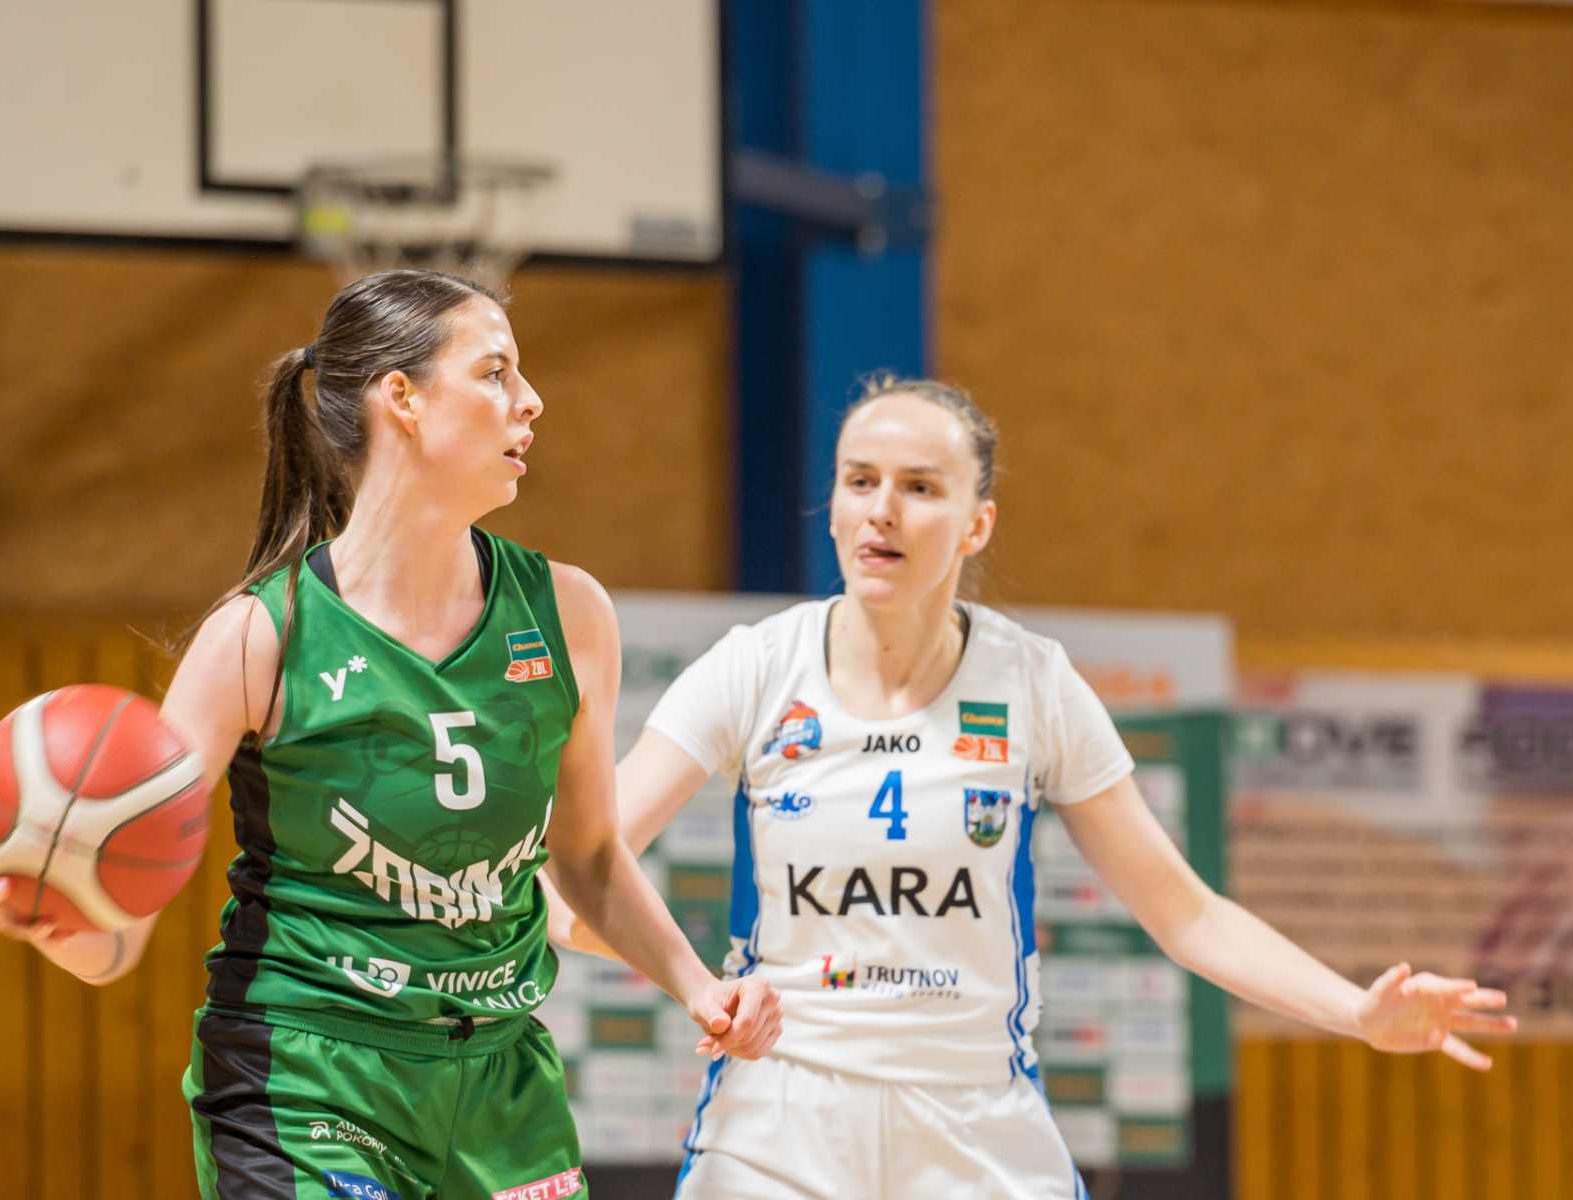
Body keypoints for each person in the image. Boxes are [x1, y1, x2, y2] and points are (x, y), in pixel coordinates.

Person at [547, 375, 1517, 1199]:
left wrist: (1356, 1013)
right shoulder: (754, 667)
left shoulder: (1032, 683)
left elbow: (1186, 914)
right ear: (834, 505)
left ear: (977, 524)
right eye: (860, 481)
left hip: (976, 1123)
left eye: (920, 487)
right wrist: (698, 983)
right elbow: (576, 875)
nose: (882, 510)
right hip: (780, 1117)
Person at [0, 269, 780, 1200]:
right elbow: (118, 937)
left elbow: (587, 859)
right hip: (308, 1078)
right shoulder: (260, 637)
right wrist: (56, 913)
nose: (531, 400)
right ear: (403, 399)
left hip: (500, 1084)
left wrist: (699, 987)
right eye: (495, 372)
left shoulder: (569, 615)